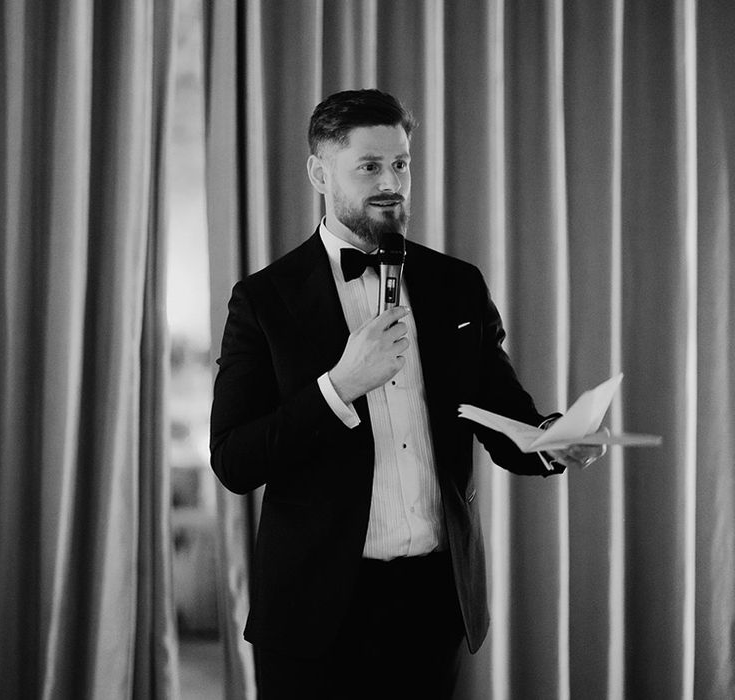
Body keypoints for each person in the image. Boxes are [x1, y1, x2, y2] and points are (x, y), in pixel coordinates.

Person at [210, 89, 604, 699]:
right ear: (319, 172)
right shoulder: (264, 300)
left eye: (400, 163)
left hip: (432, 604)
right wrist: (340, 386)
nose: (391, 180)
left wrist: (554, 442)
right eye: (369, 166)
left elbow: (505, 419)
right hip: (313, 614)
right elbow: (234, 459)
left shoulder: (456, 286)